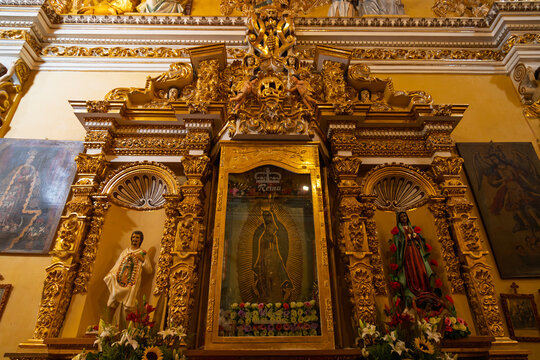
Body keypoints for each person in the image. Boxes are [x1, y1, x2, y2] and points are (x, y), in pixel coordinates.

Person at [104, 231, 152, 316]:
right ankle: (105, 327)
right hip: (119, 282)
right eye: (133, 237)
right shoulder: (125, 251)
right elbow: (117, 265)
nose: (135, 239)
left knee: (128, 308)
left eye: (137, 238)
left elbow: (149, 270)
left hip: (131, 284)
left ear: (141, 240)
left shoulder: (142, 253)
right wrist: (111, 274)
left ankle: (125, 329)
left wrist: (143, 260)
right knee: (111, 303)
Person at [391, 212, 434, 304]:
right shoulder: (399, 231)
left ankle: (424, 289)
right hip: (407, 254)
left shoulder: (412, 228)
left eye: (405, 216)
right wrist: (405, 239)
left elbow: (421, 241)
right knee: (411, 271)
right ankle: (412, 291)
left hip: (416, 252)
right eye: (401, 216)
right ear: (399, 219)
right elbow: (397, 244)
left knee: (421, 269)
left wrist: (416, 237)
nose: (404, 218)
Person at [252, 209, 293, 303]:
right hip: (265, 267)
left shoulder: (275, 238)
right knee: (265, 290)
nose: (272, 230)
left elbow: (280, 253)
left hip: (275, 266)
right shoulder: (262, 237)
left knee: (275, 290)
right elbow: (260, 253)